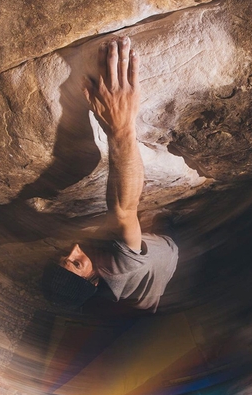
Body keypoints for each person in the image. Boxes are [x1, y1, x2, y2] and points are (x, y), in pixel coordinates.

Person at [42, 36, 178, 312]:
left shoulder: (109, 273)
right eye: (77, 262)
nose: (73, 249)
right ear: (93, 280)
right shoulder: (119, 266)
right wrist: (121, 126)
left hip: (147, 288)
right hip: (172, 254)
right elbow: (123, 210)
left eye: (63, 255)